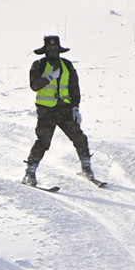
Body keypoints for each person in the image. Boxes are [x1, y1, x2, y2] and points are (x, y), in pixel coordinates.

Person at [22, 35, 94, 187]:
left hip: (65, 109)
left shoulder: (67, 65)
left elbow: (74, 88)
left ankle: (87, 168)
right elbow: (34, 86)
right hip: (46, 111)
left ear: (59, 49)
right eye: (49, 48)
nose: (53, 50)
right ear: (45, 49)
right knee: (43, 141)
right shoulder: (38, 65)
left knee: (79, 137)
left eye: (55, 48)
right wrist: (48, 78)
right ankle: (30, 172)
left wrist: (76, 107)